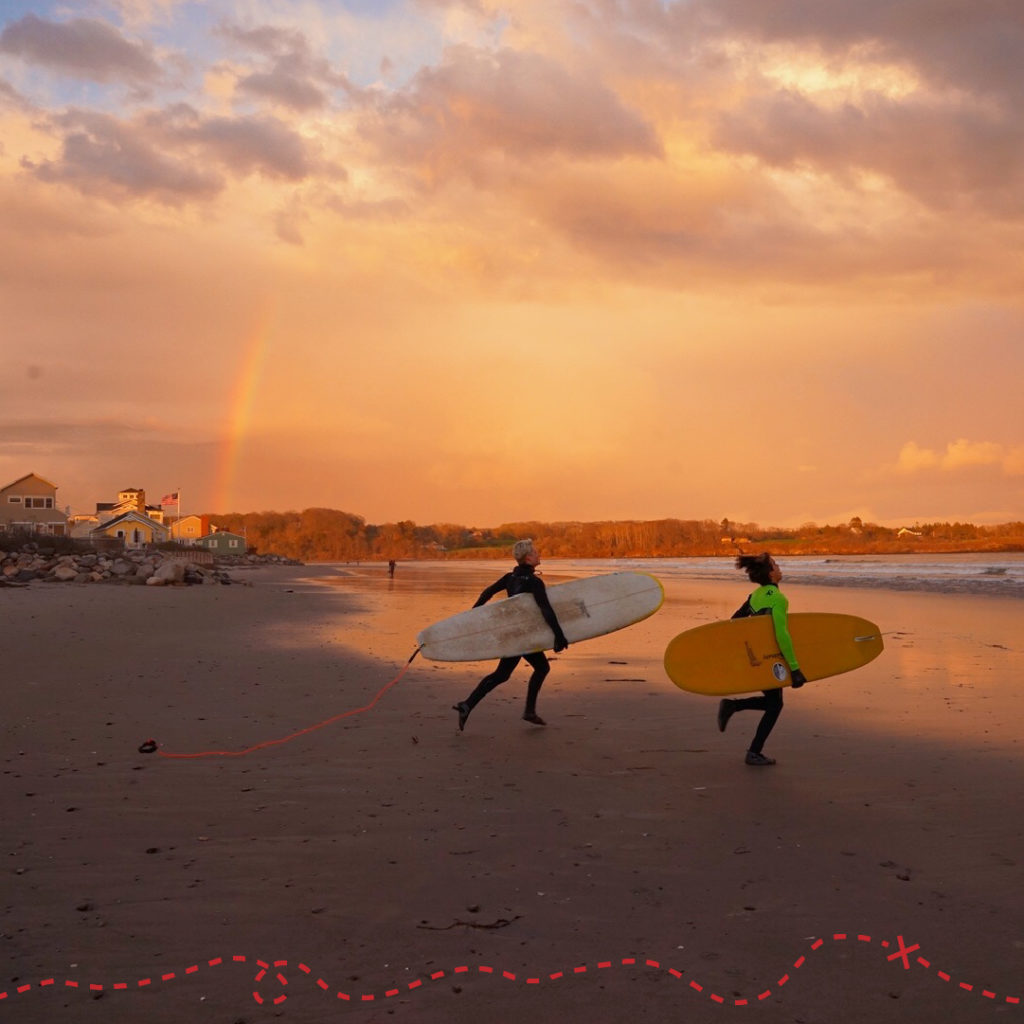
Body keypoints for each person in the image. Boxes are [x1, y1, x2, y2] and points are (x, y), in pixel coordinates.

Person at [453, 539, 569, 730]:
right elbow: (545, 609)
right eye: (536, 552)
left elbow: (487, 592)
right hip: (522, 636)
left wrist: (472, 614)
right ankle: (528, 711)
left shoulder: (510, 578)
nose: (539, 555)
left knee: (503, 674)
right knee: (539, 669)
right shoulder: (534, 582)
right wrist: (559, 636)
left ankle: (468, 705)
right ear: (529, 557)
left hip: (512, 633)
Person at [716, 553, 806, 766]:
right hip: (772, 659)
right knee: (775, 705)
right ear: (770, 573)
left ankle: (733, 708)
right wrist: (794, 668)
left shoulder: (754, 596)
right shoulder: (778, 599)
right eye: (776, 564)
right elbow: (781, 634)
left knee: (774, 703)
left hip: (757, 658)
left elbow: (736, 621)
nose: (779, 567)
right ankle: (753, 749)